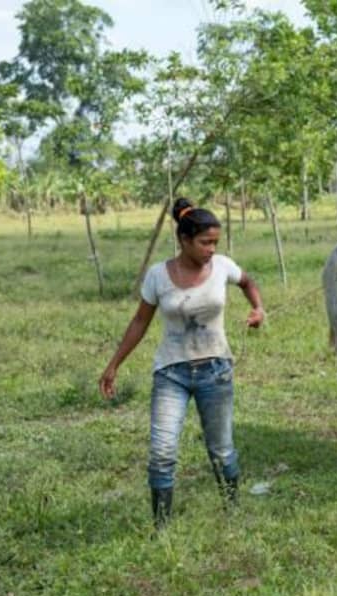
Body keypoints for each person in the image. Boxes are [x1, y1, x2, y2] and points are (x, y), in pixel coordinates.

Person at [99, 197, 265, 529]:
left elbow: (247, 282)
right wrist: (114, 363)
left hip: (215, 372)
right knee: (161, 453)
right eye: (205, 242)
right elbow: (139, 322)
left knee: (221, 450)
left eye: (215, 242)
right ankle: (161, 528)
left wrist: (258, 308)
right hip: (170, 373)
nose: (211, 249)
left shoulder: (222, 266)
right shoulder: (158, 275)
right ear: (184, 240)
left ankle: (232, 512)